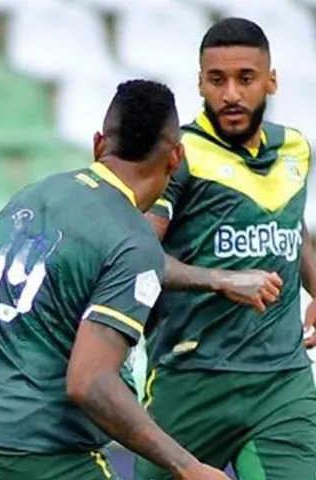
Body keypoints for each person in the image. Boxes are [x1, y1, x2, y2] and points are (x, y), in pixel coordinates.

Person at [0, 80, 229, 480]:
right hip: (30, 448)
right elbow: (90, 382)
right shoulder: (134, 242)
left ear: (99, 145)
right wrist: (187, 466)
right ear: (175, 159)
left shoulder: (32, 195)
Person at [135, 18, 316, 480]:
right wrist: (219, 279)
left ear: (271, 80)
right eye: (217, 80)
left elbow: (292, 229)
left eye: (246, 79)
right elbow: (134, 254)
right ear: (200, 83)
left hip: (282, 381)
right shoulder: (180, 155)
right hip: (192, 376)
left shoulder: (295, 148)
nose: (231, 94)